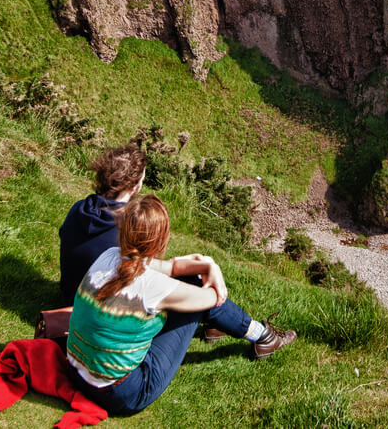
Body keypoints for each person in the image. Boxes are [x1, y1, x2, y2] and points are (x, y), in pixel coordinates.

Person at [66, 195, 295, 415]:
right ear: (161, 240)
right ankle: (263, 337)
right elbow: (215, 299)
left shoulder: (109, 256)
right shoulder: (153, 287)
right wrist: (210, 269)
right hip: (123, 393)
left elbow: (171, 267)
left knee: (191, 282)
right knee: (198, 294)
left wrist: (209, 264)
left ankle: (229, 328)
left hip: (77, 373)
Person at [58, 141, 147, 304]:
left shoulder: (79, 208)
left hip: (70, 298)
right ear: (134, 187)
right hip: (101, 310)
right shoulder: (131, 226)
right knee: (197, 284)